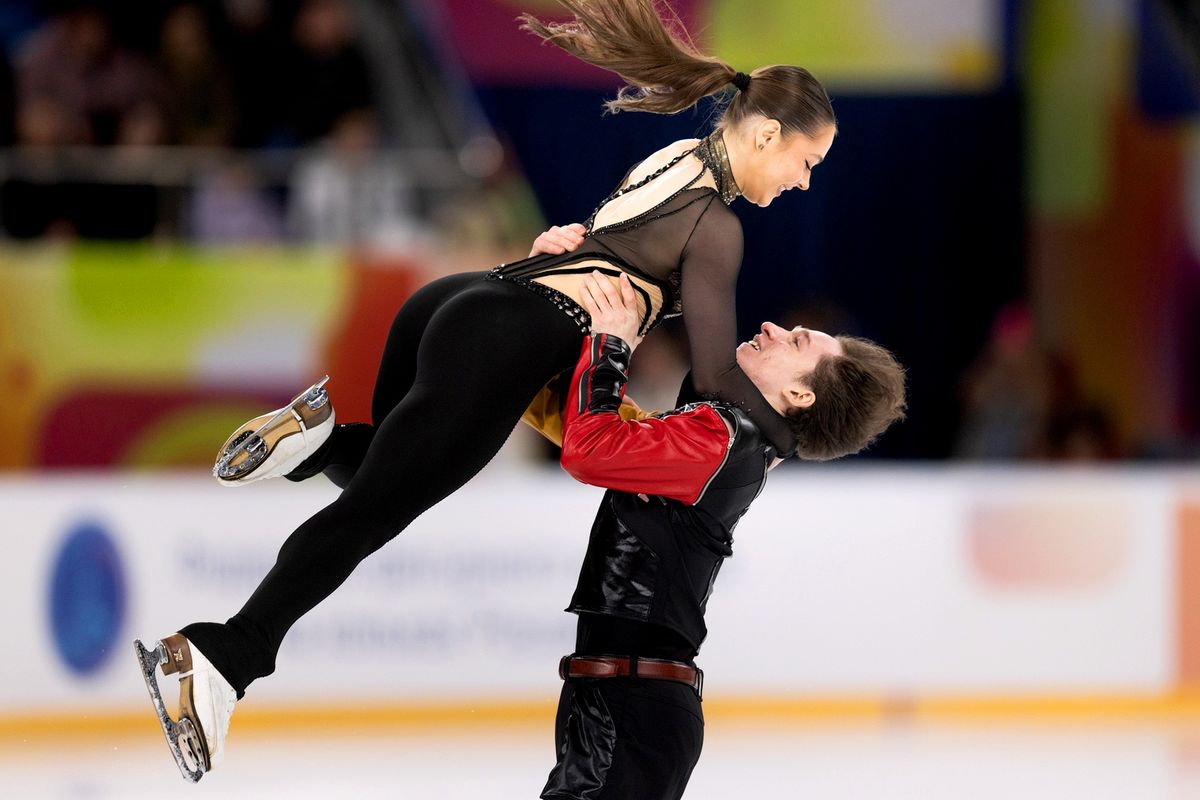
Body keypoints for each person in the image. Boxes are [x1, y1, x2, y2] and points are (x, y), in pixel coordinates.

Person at [135, 0, 840, 782]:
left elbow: (597, 242)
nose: (805, 183)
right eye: (807, 163)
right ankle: (221, 657)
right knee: (370, 515)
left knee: (382, 474)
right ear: (768, 135)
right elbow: (709, 384)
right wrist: (775, 437)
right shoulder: (719, 226)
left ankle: (323, 440)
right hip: (509, 337)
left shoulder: (675, 157)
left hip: (466, 298)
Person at [539, 271, 905, 798]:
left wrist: (612, 342)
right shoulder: (734, 437)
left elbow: (588, 450)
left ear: (800, 393)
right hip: (620, 698)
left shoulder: (727, 439)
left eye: (796, 341)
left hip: (632, 705)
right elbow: (599, 430)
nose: (773, 328)